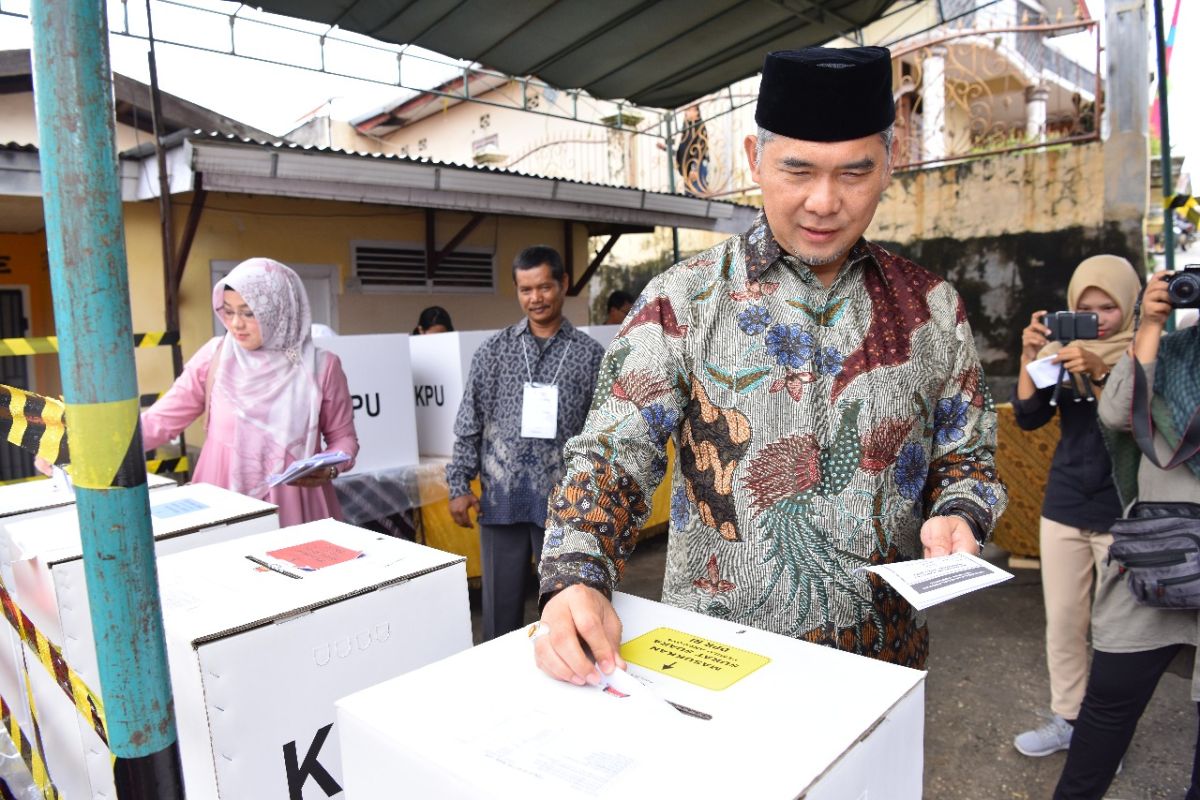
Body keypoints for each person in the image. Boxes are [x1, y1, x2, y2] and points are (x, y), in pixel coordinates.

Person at [533, 46, 1007, 686]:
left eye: (853, 173)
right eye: (798, 170)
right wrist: (576, 574)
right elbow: (614, 450)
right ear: (756, 161)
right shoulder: (685, 300)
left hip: (883, 666)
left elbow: (967, 457)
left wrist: (960, 511)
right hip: (720, 664)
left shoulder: (931, 308)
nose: (822, 201)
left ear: (890, 164)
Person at [1054, 271, 1200, 799]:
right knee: (1107, 709)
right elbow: (1115, 413)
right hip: (1156, 555)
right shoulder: (1174, 353)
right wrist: (1151, 326)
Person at [1010, 255, 1141, 757]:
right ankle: (1068, 718)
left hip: (1123, 508)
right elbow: (1028, 417)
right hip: (1064, 502)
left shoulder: (1145, 353)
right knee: (1064, 621)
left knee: (1120, 632)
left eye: (1108, 306)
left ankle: (1107, 736)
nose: (1099, 317)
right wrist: (1029, 355)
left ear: (1129, 304)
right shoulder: (1064, 353)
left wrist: (1105, 371)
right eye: (1085, 308)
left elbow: (1134, 421)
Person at [446, 245, 606, 641]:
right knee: (499, 614)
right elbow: (469, 423)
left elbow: (604, 432)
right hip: (502, 501)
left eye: (544, 287)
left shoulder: (591, 356)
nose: (535, 298)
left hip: (566, 506)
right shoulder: (493, 352)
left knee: (566, 609)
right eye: (525, 290)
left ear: (563, 285)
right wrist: (458, 486)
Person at [140, 257, 359, 527]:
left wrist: (331, 467)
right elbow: (161, 421)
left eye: (249, 313)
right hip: (221, 499)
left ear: (280, 311)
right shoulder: (215, 356)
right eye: (228, 311)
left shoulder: (322, 367)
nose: (236, 324)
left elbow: (344, 439)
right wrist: (106, 447)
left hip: (296, 505)